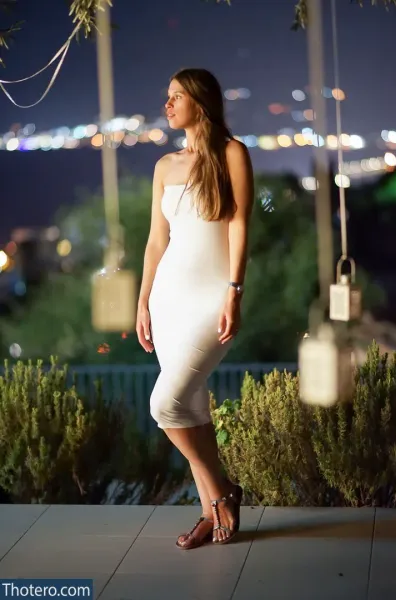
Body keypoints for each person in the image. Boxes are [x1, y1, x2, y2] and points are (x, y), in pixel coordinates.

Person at [136, 67, 254, 550]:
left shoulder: (232, 153)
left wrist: (234, 290)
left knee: (165, 404)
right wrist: (142, 300)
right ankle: (210, 513)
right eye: (167, 96)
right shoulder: (165, 166)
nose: (167, 104)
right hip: (167, 300)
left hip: (210, 299)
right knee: (189, 406)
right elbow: (154, 241)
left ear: (200, 103)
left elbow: (241, 225)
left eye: (176, 96)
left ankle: (224, 494)